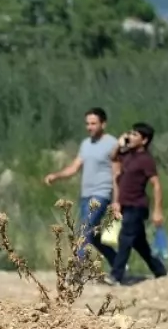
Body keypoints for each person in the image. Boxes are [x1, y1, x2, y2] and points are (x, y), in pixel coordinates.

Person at [44, 107, 118, 267]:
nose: (89, 127)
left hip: (102, 193)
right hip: (86, 194)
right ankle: (118, 262)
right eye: (87, 124)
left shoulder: (112, 143)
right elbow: (75, 167)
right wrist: (56, 176)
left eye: (93, 123)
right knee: (92, 235)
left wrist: (116, 199)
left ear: (103, 124)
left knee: (84, 231)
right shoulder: (86, 144)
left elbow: (116, 172)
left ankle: (77, 268)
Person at [106, 121, 167, 286]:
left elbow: (156, 184)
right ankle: (160, 272)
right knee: (140, 245)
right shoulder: (128, 155)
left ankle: (116, 275)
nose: (130, 137)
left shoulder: (146, 160)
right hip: (126, 204)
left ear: (144, 140)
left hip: (137, 205)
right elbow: (112, 157)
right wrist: (119, 145)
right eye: (130, 133)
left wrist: (157, 210)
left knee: (125, 238)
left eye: (134, 135)